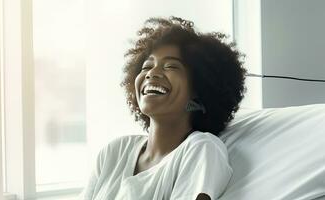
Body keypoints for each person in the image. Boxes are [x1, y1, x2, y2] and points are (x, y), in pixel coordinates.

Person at [80, 16, 246, 200]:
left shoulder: (202, 149)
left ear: (199, 90)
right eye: (147, 66)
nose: (152, 73)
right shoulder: (115, 151)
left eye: (171, 66)